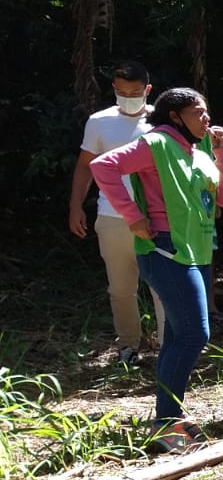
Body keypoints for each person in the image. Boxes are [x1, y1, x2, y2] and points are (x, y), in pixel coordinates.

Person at [90, 88, 223, 451]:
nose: (206, 119)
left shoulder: (198, 151)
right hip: (166, 249)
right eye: (198, 113)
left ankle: (170, 416)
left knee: (176, 336)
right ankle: (165, 423)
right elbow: (102, 166)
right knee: (193, 335)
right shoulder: (155, 143)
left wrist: (221, 154)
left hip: (197, 251)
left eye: (207, 112)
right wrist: (134, 217)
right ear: (175, 116)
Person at [69, 60, 165, 363]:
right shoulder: (99, 121)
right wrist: (75, 206)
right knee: (121, 287)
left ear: (147, 90)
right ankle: (128, 346)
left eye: (135, 92)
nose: (128, 98)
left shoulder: (163, 120)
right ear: (113, 89)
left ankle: (168, 347)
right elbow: (85, 166)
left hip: (158, 217)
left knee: (163, 286)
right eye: (121, 92)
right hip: (112, 217)